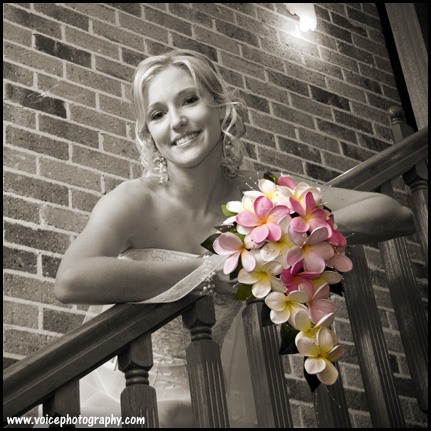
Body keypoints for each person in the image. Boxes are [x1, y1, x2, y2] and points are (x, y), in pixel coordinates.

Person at [54, 49, 415, 427]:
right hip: (121, 395)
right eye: (158, 114)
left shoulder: (259, 197)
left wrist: (285, 238)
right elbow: (72, 279)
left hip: (207, 397)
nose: (176, 121)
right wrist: (207, 273)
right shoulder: (133, 200)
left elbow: (394, 214)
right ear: (150, 136)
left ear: (222, 110)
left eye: (189, 100)